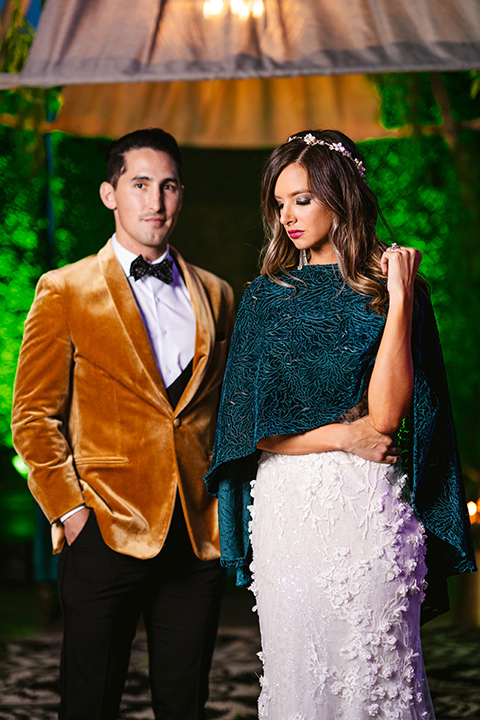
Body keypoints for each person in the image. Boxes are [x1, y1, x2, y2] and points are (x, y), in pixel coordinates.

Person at [205, 130, 476, 719]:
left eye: (302, 198)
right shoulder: (264, 298)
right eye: (280, 203)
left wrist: (401, 298)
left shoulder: (391, 290)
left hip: (367, 509)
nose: (288, 216)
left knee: (377, 675)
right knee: (300, 673)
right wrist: (341, 437)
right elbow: (246, 428)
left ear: (341, 195)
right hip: (288, 509)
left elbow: (387, 417)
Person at [12, 128, 235, 720]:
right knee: (89, 702)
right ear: (111, 194)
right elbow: (33, 416)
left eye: (168, 186)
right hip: (103, 528)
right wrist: (70, 510)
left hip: (195, 533)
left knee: (185, 703)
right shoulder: (64, 289)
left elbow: (224, 415)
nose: (155, 201)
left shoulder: (218, 294)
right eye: (140, 184)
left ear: (181, 195)